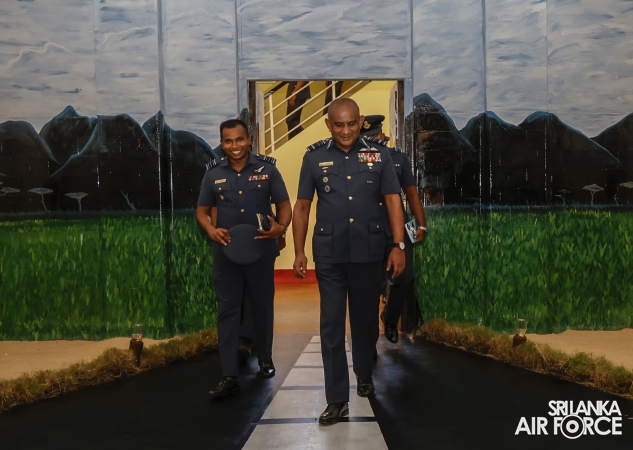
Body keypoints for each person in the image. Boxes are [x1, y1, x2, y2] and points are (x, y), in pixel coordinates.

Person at [292, 98, 405, 424]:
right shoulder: (314, 157)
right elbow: (302, 206)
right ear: (328, 124)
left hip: (368, 252)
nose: (345, 131)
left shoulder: (379, 155)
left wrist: (398, 245)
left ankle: (364, 373)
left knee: (365, 319)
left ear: (361, 121)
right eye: (339, 124)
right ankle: (337, 399)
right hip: (329, 253)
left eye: (352, 124)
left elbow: (393, 200)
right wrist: (299, 251)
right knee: (331, 324)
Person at [197, 119, 291, 398]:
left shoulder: (267, 169)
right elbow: (202, 211)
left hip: (260, 249)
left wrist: (281, 228)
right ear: (222, 143)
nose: (234, 146)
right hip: (226, 251)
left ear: (249, 139)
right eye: (228, 141)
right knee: (228, 311)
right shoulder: (213, 173)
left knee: (262, 307)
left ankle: (265, 360)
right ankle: (229, 375)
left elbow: (284, 205)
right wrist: (211, 231)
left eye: (239, 139)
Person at [359, 115, 427, 344]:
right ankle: (369, 340)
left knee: (405, 277)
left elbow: (412, 194)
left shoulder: (397, 158)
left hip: (398, 228)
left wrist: (421, 224)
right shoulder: (357, 160)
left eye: (374, 136)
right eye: (366, 137)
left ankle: (390, 318)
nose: (371, 140)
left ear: (382, 135)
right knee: (371, 285)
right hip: (369, 230)